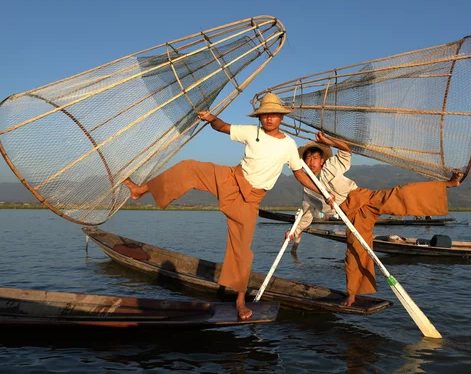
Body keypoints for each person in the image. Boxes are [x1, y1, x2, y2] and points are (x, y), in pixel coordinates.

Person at [123, 93, 329, 319]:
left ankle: (240, 301)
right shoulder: (252, 131)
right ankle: (140, 190)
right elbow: (223, 127)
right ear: (260, 117)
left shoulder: (289, 145)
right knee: (189, 167)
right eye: (265, 115)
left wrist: (322, 191)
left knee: (242, 250)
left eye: (274, 115)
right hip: (231, 178)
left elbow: (299, 174)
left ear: (280, 117)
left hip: (251, 199)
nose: (269, 119)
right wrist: (212, 118)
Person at [290, 132, 462, 306]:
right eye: (308, 158)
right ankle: (353, 294)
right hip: (352, 216)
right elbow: (306, 215)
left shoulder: (331, 166)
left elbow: (346, 151)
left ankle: (448, 184)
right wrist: (294, 231)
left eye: (315, 157)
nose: (311, 161)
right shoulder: (308, 191)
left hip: (364, 198)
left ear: (321, 160)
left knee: (401, 194)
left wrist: (328, 141)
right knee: (355, 250)